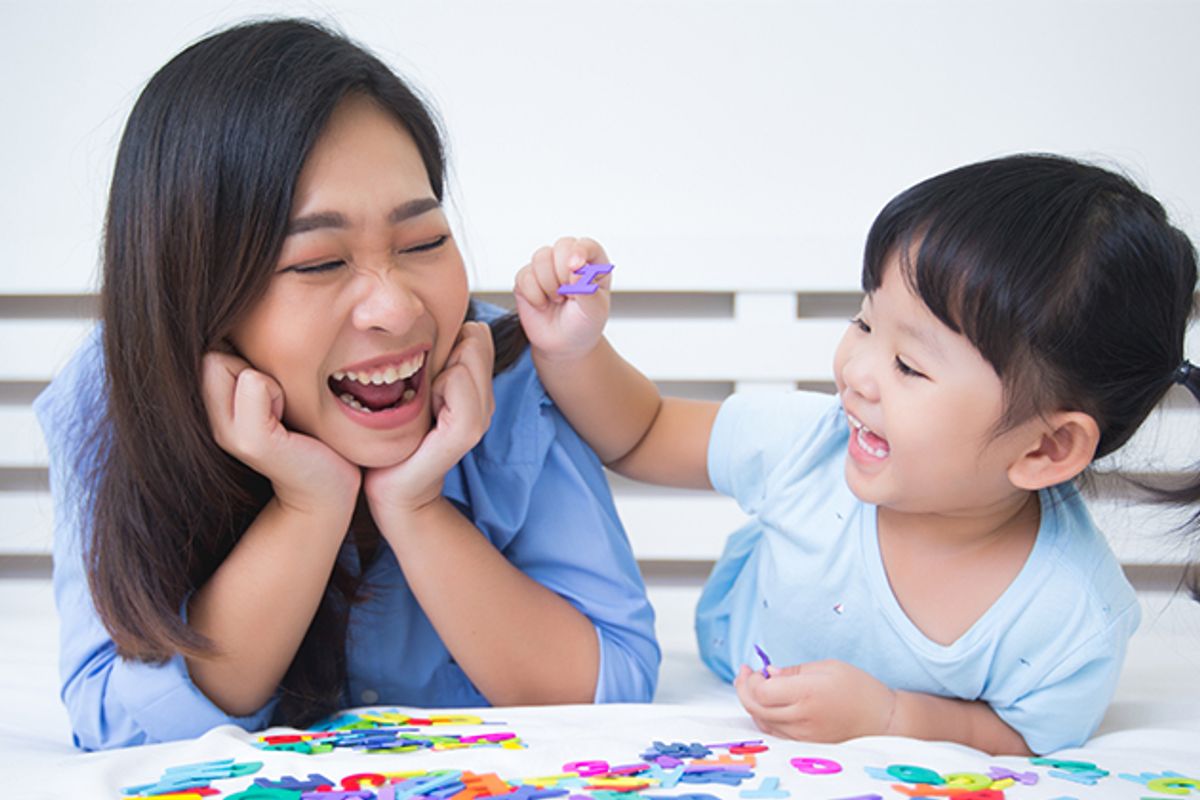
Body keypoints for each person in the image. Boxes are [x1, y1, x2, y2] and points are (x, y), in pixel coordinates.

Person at [34, 18, 658, 751]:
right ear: (198, 296)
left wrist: (415, 507)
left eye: (424, 241)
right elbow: (115, 723)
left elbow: (612, 682)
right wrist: (308, 507)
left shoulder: (509, 373)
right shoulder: (118, 396)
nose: (397, 310)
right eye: (317, 262)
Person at [514, 154, 1200, 755]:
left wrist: (890, 716)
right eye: (865, 321)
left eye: (908, 364)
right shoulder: (809, 446)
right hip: (726, 669)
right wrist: (574, 348)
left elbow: (1021, 736)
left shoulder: (1071, 617)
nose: (856, 372)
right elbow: (643, 431)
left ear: (1048, 447)